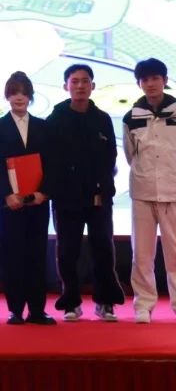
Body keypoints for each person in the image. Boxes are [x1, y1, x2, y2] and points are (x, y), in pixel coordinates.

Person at [47, 63, 124, 322]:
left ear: (93, 85)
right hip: (66, 198)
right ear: (66, 86)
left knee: (103, 248)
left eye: (85, 81)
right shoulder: (55, 120)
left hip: (99, 196)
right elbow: (50, 160)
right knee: (68, 252)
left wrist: (104, 187)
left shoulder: (102, 119)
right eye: (75, 81)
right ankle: (71, 301)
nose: (80, 86)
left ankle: (105, 301)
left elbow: (111, 156)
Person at [0, 72, 56, 326]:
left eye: (24, 93)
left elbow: (51, 163)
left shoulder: (43, 126)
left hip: (37, 201)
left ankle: (37, 310)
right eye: (14, 92)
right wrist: (8, 193)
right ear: (7, 96)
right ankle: (15, 309)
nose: (19, 97)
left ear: (30, 96)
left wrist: (43, 192)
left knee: (37, 254)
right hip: (10, 202)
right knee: (12, 254)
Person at [122, 57, 176, 324]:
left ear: (165, 80)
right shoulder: (131, 117)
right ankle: (143, 305)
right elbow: (129, 154)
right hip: (142, 192)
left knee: (175, 253)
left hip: (173, 191)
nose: (151, 84)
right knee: (142, 254)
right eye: (145, 79)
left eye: (155, 78)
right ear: (139, 84)